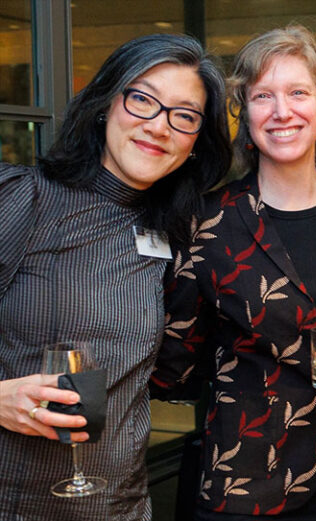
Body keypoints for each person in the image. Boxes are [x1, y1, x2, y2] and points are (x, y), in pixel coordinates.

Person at [149, 25, 316, 520]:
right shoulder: (208, 224)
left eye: (298, 93)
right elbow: (174, 364)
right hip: (248, 484)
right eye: (263, 96)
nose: (282, 111)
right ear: (244, 112)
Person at [0, 34, 231, 521]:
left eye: (184, 116)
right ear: (107, 103)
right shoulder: (25, 200)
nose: (158, 127)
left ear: (195, 143)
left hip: (119, 505)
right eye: (143, 99)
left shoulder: (175, 229)